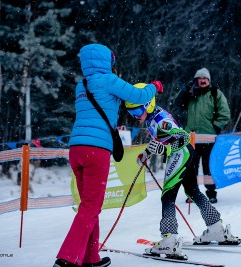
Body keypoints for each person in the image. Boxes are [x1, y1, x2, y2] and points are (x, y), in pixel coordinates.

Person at [54, 44, 162, 267]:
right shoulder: (109, 80)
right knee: (91, 206)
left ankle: (91, 258)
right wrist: (154, 86)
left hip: (76, 149)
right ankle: (65, 259)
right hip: (96, 150)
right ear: (106, 61)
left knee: (88, 204)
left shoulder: (81, 85)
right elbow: (138, 95)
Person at [124, 83, 240, 260]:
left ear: (148, 105)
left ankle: (169, 241)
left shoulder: (161, 121)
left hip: (181, 153)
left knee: (167, 196)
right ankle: (216, 228)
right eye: (131, 113)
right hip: (187, 153)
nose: (135, 117)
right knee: (193, 191)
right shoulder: (153, 118)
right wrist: (147, 152)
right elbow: (162, 140)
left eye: (137, 112)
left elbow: (182, 137)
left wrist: (166, 151)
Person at [178, 67, 231, 203]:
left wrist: (216, 127)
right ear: (196, 80)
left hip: (209, 138)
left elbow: (225, 113)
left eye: (205, 78)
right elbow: (177, 105)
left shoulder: (215, 93)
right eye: (200, 78)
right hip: (191, 138)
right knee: (190, 168)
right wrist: (185, 91)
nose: (202, 80)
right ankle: (192, 194)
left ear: (209, 80)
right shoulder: (190, 93)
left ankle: (211, 193)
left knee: (209, 167)